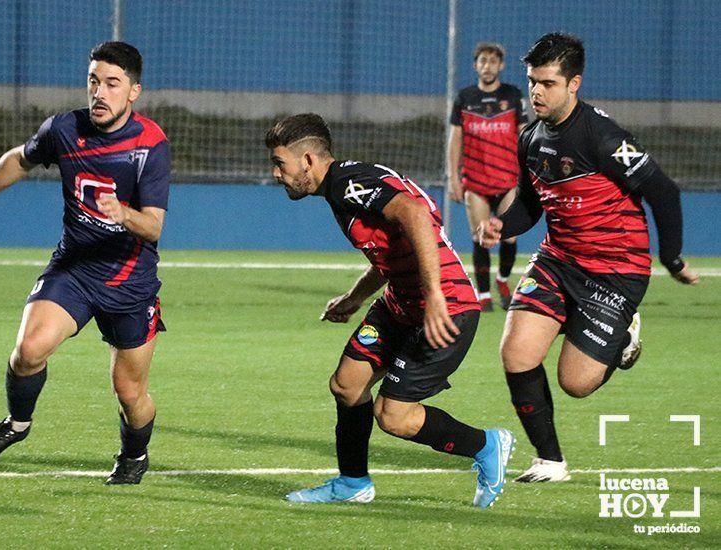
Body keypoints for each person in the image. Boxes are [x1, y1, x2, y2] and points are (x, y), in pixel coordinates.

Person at [0, 42, 171, 485]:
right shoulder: (64, 129)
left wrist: (124, 213)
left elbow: (154, 227)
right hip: (75, 270)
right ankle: (18, 424)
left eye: (111, 83)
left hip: (129, 282)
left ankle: (134, 455)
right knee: (28, 351)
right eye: (93, 81)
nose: (99, 93)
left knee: (130, 392)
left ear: (134, 91)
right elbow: (18, 159)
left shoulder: (151, 144)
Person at [478, 33, 700, 483]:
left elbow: (663, 192)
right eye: (531, 82)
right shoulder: (530, 137)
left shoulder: (602, 136)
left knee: (575, 384)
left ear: (574, 83)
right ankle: (550, 461)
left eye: (547, 83)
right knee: (516, 352)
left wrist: (672, 259)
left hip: (616, 270)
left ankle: (624, 333)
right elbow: (529, 201)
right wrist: (504, 224)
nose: (536, 92)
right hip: (558, 259)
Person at [265, 113, 514, 508]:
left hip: (446, 308)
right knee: (347, 385)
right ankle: (352, 484)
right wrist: (354, 298)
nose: (277, 174)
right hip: (402, 302)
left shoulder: (348, 183)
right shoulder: (341, 185)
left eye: (281, 163)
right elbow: (389, 249)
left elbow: (414, 214)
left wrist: (434, 296)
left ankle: (487, 445)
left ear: (308, 160)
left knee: (394, 416)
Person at [448, 42, 529, 311]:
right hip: (476, 182)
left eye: (492, 61)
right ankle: (483, 294)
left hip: (508, 180)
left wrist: (530, 173)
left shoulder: (514, 96)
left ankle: (503, 280)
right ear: (475, 65)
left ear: (501, 65)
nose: (487, 66)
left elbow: (525, 136)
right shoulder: (464, 98)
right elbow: (455, 139)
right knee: (481, 236)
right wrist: (452, 177)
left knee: (510, 237)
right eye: (482, 61)